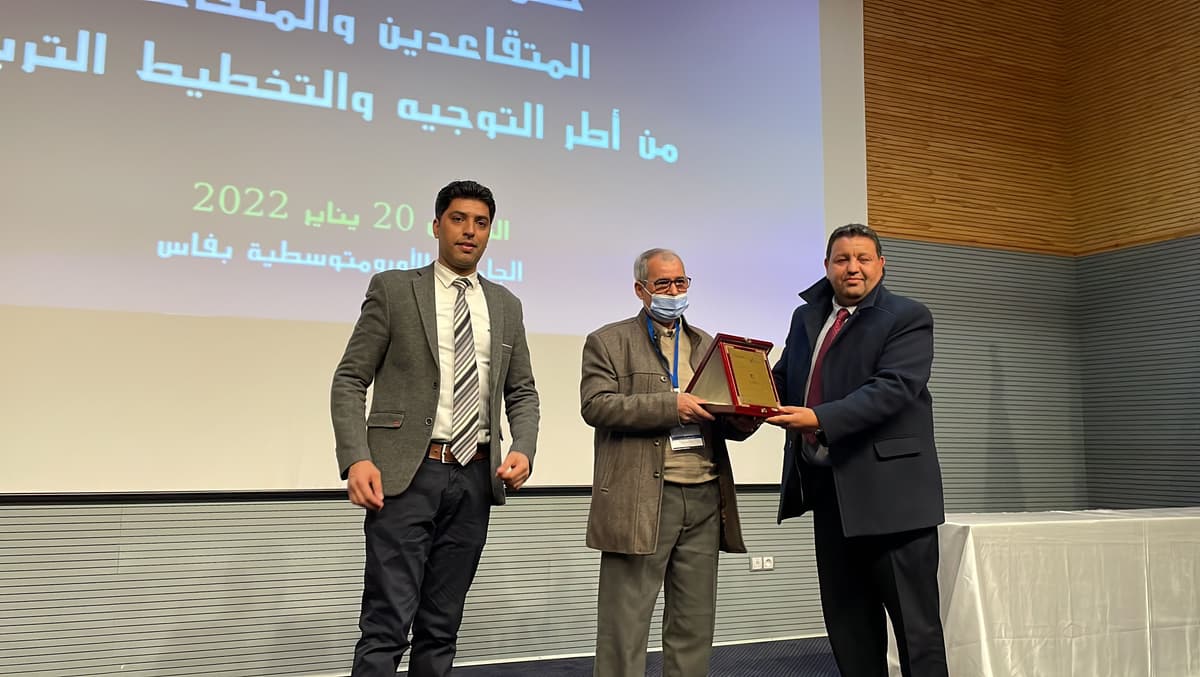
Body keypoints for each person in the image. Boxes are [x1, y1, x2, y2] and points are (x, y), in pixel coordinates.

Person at [330, 179, 540, 677]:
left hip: (474, 476)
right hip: (406, 475)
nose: (470, 231)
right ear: (437, 225)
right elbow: (350, 378)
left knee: (442, 625)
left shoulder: (506, 305)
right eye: (459, 219)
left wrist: (525, 447)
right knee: (387, 621)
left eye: (481, 223)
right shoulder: (394, 289)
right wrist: (356, 456)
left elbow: (523, 391)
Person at [766, 223, 948, 677]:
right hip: (830, 491)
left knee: (916, 632)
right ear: (827, 266)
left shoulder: (908, 316)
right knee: (849, 628)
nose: (852, 268)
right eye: (842, 259)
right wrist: (739, 388)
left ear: (881, 265)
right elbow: (786, 379)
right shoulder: (806, 317)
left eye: (863, 258)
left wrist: (820, 419)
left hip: (894, 501)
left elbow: (893, 389)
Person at [580, 248, 758, 677]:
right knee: (625, 625)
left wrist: (748, 413)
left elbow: (723, 419)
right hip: (640, 499)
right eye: (663, 284)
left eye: (681, 282)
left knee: (693, 623)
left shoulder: (709, 345)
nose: (674, 291)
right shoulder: (608, 341)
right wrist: (669, 406)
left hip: (703, 496)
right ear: (641, 290)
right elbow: (596, 406)